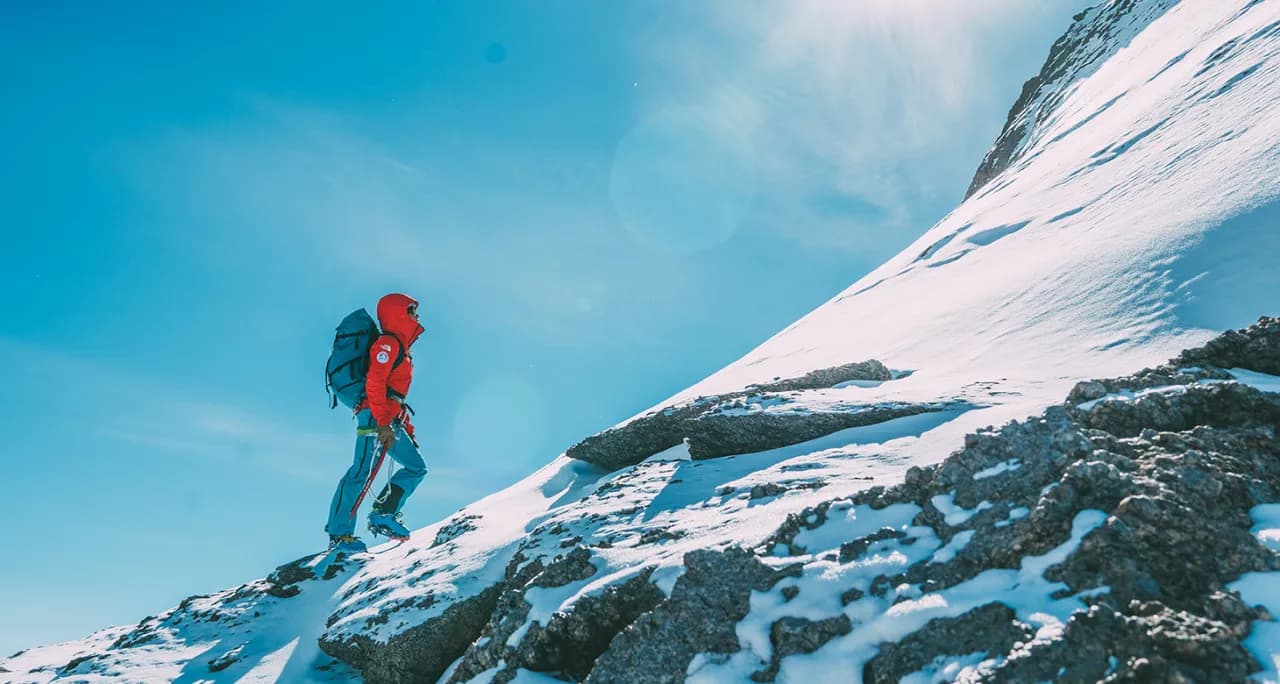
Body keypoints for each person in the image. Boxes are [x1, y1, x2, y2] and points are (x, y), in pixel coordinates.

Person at [325, 293, 428, 552]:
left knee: (416, 467)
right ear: (399, 313)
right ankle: (340, 534)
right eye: (413, 311)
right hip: (375, 416)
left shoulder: (401, 349)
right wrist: (382, 422)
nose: (417, 316)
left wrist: (405, 428)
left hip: (389, 418)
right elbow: (375, 382)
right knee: (361, 472)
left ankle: (383, 513)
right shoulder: (388, 344)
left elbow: (396, 395)